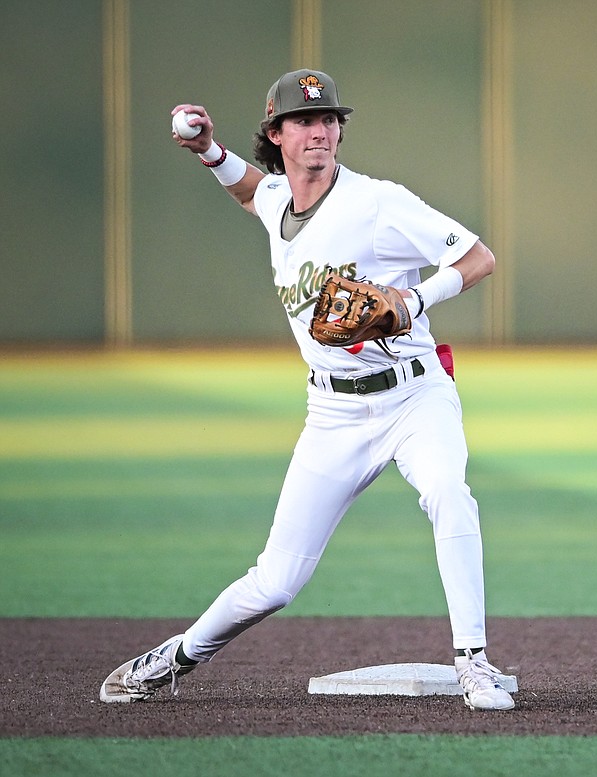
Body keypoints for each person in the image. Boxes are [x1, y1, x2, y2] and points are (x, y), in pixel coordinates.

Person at [99, 69, 514, 711]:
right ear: (276, 134)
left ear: (341, 130)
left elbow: (478, 257)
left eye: (328, 120)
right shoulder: (276, 201)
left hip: (414, 396)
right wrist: (207, 150)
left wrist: (414, 298)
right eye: (302, 121)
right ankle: (174, 657)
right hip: (332, 412)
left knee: (448, 495)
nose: (318, 130)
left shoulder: (377, 202)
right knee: (275, 581)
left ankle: (474, 661)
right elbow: (249, 192)